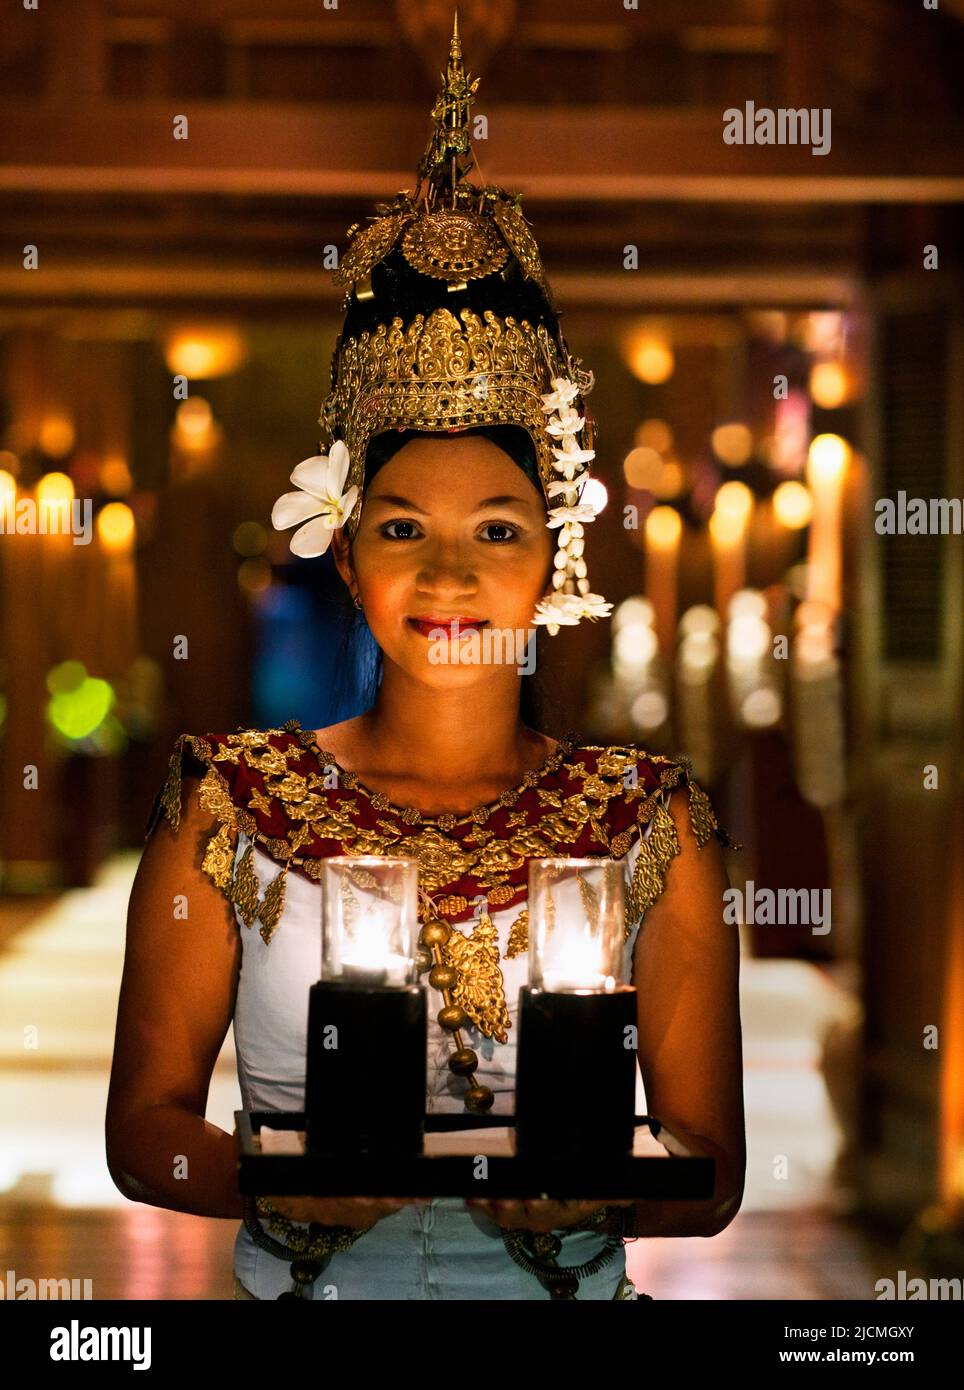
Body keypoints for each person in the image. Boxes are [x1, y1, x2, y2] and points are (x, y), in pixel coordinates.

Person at [105, 18, 745, 1301]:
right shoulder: (229, 805)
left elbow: (711, 1174)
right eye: (403, 530)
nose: (447, 577)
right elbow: (143, 1131)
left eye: (494, 532)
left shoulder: (648, 820)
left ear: (549, 563)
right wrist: (277, 1179)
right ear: (347, 558)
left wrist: (596, 1185)